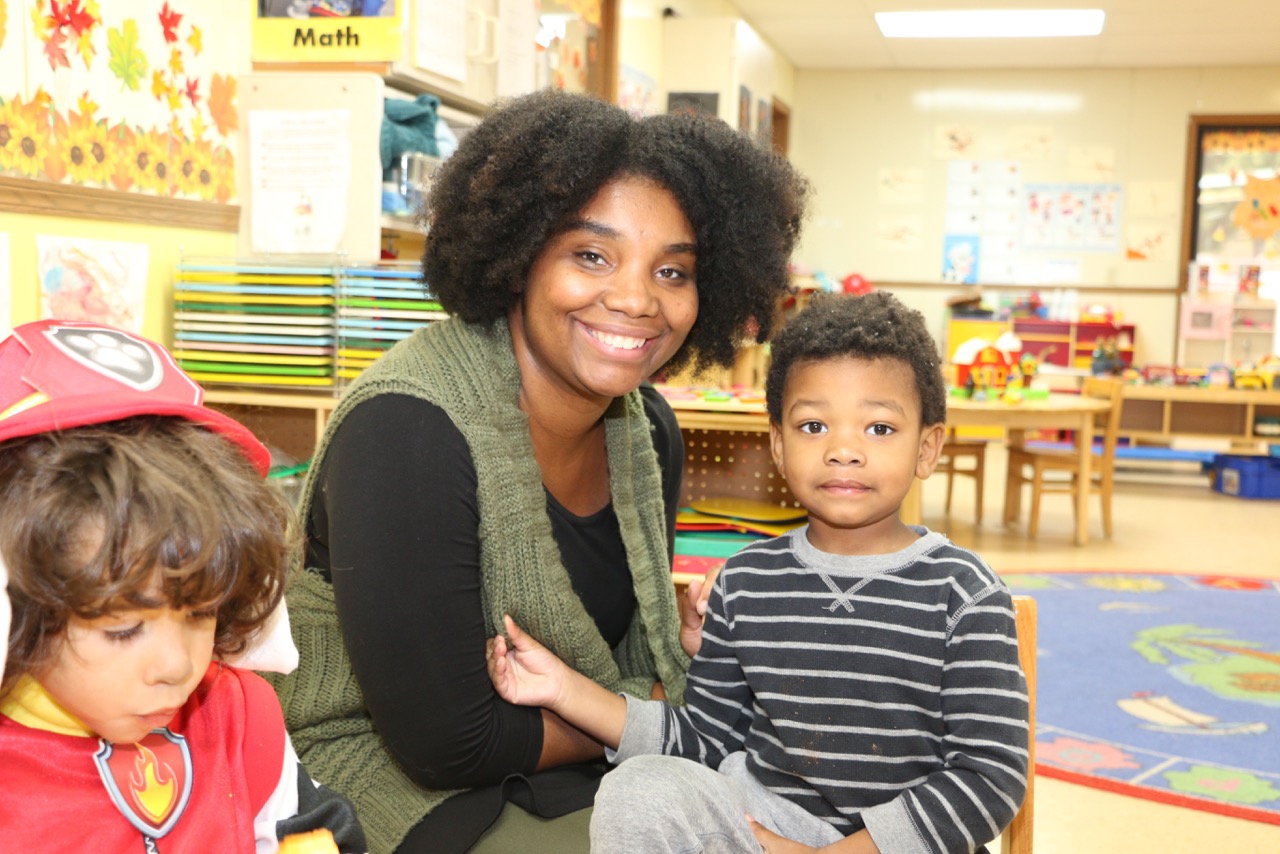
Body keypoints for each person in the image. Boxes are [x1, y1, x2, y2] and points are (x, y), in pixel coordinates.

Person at [268, 88, 810, 854]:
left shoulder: (646, 431)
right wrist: (645, 710)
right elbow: (445, 745)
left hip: (585, 764)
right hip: (382, 786)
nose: (635, 300)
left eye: (673, 272)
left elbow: (638, 663)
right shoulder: (406, 429)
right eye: (592, 255)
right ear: (520, 256)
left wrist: (651, 702)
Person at [488, 292, 1030, 854]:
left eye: (879, 429)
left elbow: (989, 775)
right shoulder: (745, 583)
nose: (843, 450)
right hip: (769, 829)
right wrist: (564, 689)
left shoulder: (965, 592)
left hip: (903, 844)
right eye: (814, 426)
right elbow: (705, 740)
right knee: (640, 790)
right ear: (777, 443)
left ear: (927, 447)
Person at [0, 319, 366, 854]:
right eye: (124, 629)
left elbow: (317, 834)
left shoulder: (236, 720)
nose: (176, 667)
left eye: (200, 613)